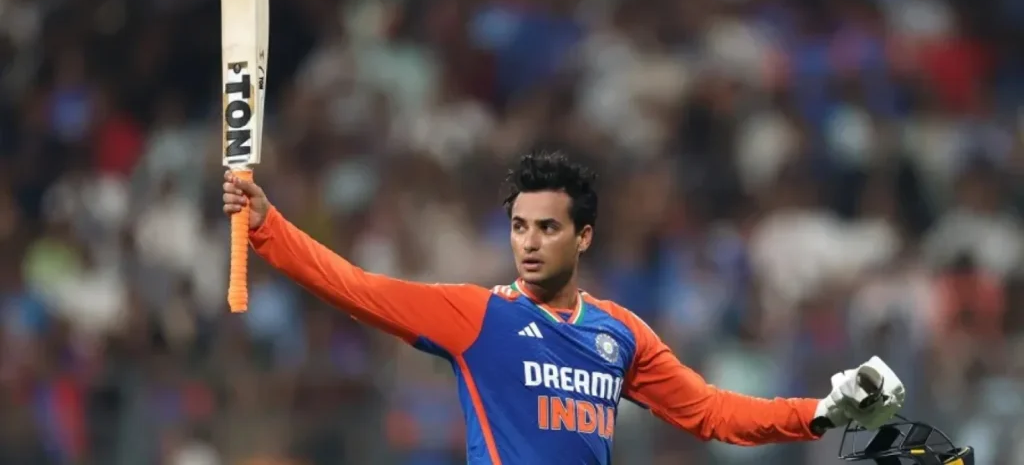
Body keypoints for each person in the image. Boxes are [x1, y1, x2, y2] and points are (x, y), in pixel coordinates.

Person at [221, 150, 903, 464]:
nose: (529, 242)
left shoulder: (619, 333)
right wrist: (267, 226)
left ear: (583, 236)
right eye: (519, 226)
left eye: (547, 228)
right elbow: (356, 288)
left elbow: (711, 413)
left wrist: (819, 413)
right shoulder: (478, 317)